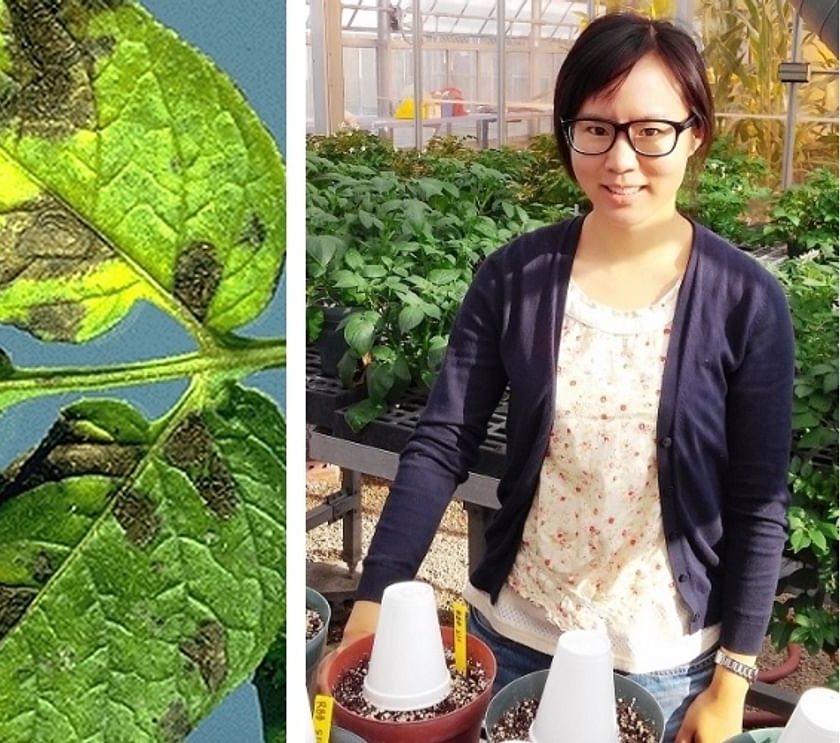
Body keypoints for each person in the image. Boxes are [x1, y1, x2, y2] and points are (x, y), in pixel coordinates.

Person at [329, 13, 794, 743]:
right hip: (519, 637)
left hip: (665, 666)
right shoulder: (518, 277)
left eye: (651, 130)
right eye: (596, 128)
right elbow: (442, 441)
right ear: (568, 130)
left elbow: (759, 501)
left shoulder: (745, 302)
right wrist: (379, 589)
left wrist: (733, 677)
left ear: (695, 131)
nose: (621, 159)